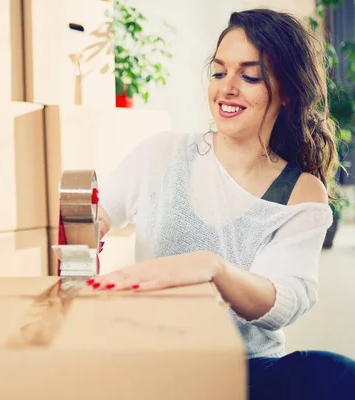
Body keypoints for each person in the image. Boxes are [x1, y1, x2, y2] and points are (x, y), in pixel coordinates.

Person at [88, 8, 355, 399]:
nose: (226, 88)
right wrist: (84, 229)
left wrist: (211, 268)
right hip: (156, 364)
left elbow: (283, 301)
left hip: (245, 370)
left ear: (287, 92)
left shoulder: (300, 191)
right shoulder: (163, 153)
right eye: (218, 72)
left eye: (249, 76)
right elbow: (100, 213)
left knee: (336, 376)